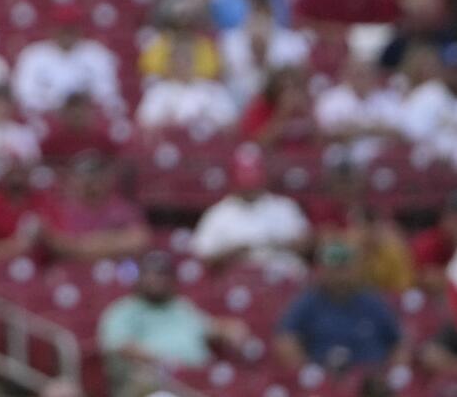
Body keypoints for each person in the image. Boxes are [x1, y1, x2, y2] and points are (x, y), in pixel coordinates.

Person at [98, 251, 248, 396]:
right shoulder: (123, 310)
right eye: (149, 273)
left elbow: (212, 327)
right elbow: (119, 346)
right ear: (139, 278)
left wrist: (232, 328)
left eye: (162, 274)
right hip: (154, 381)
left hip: (194, 377)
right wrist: (163, 361)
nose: (156, 279)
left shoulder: (181, 307)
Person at [275, 241, 407, 372]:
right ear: (323, 270)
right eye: (334, 268)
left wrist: (392, 373)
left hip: (368, 378)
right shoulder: (308, 301)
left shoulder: (372, 302)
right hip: (324, 377)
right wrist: (307, 373)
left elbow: (400, 342)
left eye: (344, 268)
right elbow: (286, 338)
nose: (340, 276)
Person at [190, 148, 311, 273]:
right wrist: (233, 252)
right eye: (245, 183)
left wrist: (278, 245)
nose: (250, 189)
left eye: (253, 182)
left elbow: (306, 246)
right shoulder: (217, 214)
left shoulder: (284, 207)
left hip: (281, 276)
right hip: (237, 281)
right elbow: (203, 258)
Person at [11, 5, 122, 117]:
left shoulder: (97, 54)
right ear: (52, 29)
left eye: (71, 29)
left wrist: (79, 104)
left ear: (79, 29)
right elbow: (24, 93)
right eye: (63, 29)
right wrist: (55, 105)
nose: (67, 35)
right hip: (46, 117)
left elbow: (107, 91)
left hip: (86, 119)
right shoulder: (33, 55)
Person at [43, 154, 150, 262]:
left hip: (114, 272)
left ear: (107, 178)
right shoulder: (59, 209)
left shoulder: (123, 208)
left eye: (96, 177)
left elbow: (139, 240)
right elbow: (55, 244)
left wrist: (79, 245)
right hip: (67, 273)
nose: (91, 184)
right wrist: (112, 239)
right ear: (72, 180)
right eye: (84, 178)